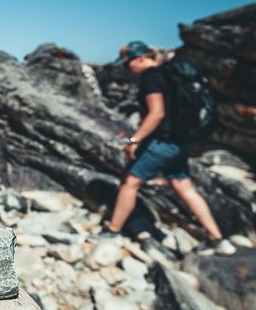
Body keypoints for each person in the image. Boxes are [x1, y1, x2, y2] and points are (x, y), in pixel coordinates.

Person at [98, 41, 235, 256]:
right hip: (181, 142)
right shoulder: (169, 75)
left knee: (129, 182)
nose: (126, 68)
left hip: (163, 142)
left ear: (141, 58)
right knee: (183, 186)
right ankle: (217, 240)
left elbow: (157, 113)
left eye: (128, 63)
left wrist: (135, 140)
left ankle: (113, 232)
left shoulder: (151, 77)